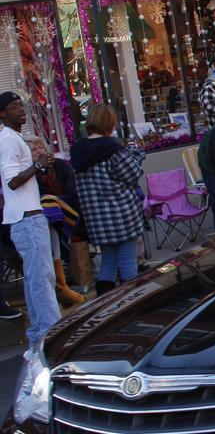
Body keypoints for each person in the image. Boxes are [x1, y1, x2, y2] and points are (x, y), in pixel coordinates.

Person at [0, 91, 61, 345]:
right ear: (3, 114)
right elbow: (12, 181)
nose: (22, 110)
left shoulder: (13, 138)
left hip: (27, 216)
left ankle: (39, 332)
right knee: (42, 279)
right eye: (15, 107)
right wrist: (36, 165)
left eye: (21, 105)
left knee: (38, 277)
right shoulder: (8, 140)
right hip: (26, 218)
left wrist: (39, 165)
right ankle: (52, 332)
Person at [68, 104, 145, 296]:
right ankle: (132, 299)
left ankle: (105, 303)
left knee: (109, 259)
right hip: (121, 213)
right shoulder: (111, 147)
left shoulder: (78, 150)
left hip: (96, 218)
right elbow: (132, 174)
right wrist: (137, 154)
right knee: (128, 258)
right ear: (109, 123)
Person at [24, 136, 84, 307]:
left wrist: (56, 202)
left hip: (68, 211)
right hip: (46, 218)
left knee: (55, 220)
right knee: (50, 226)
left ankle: (66, 282)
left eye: (41, 147)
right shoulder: (30, 173)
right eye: (34, 150)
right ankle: (62, 284)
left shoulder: (60, 165)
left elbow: (72, 190)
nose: (40, 151)